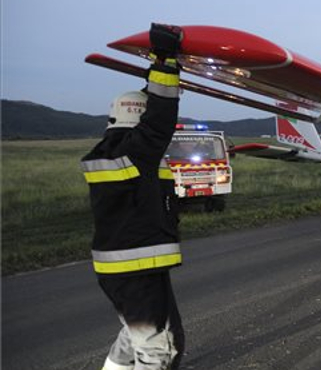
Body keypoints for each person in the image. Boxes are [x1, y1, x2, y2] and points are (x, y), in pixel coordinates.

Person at [80, 24, 185, 370]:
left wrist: (151, 77)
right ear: (139, 120)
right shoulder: (139, 151)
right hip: (137, 266)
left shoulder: (111, 151)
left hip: (117, 267)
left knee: (135, 332)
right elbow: (158, 121)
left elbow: (146, 116)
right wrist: (165, 60)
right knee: (160, 350)